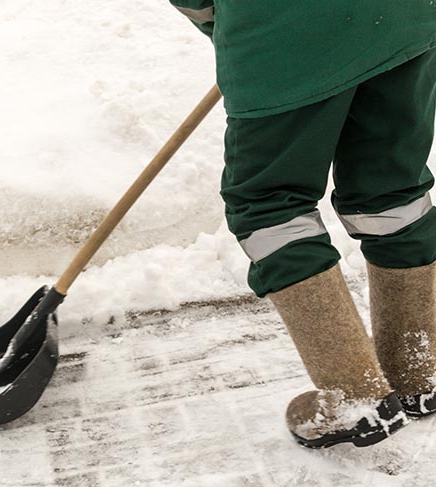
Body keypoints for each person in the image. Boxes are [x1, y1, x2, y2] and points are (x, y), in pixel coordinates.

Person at [170, 1, 436, 448]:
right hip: (404, 17)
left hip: (284, 30)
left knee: (269, 207)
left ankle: (354, 397)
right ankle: (418, 370)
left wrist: (221, 22)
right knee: (391, 190)